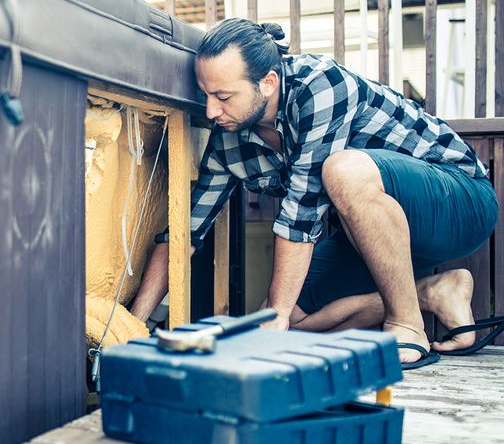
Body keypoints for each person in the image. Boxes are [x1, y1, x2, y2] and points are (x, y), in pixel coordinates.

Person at [127, 18, 498, 368]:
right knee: (296, 317)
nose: (211, 110)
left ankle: (407, 325)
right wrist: (133, 327)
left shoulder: (321, 85)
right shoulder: (229, 139)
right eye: (206, 95)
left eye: (223, 96)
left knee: (341, 170)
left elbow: (300, 217)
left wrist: (277, 315)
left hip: (459, 200)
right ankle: (430, 292)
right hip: (378, 239)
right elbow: (183, 234)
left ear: (268, 82)